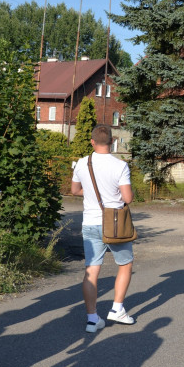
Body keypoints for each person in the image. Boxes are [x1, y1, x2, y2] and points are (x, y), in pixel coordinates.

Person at [70, 124, 135, 333]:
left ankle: (92, 319)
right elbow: (128, 198)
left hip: (90, 222)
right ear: (112, 141)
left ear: (92, 141)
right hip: (115, 223)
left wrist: (90, 193)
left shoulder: (81, 163)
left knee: (91, 270)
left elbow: (74, 190)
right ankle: (117, 309)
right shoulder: (120, 165)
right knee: (125, 264)